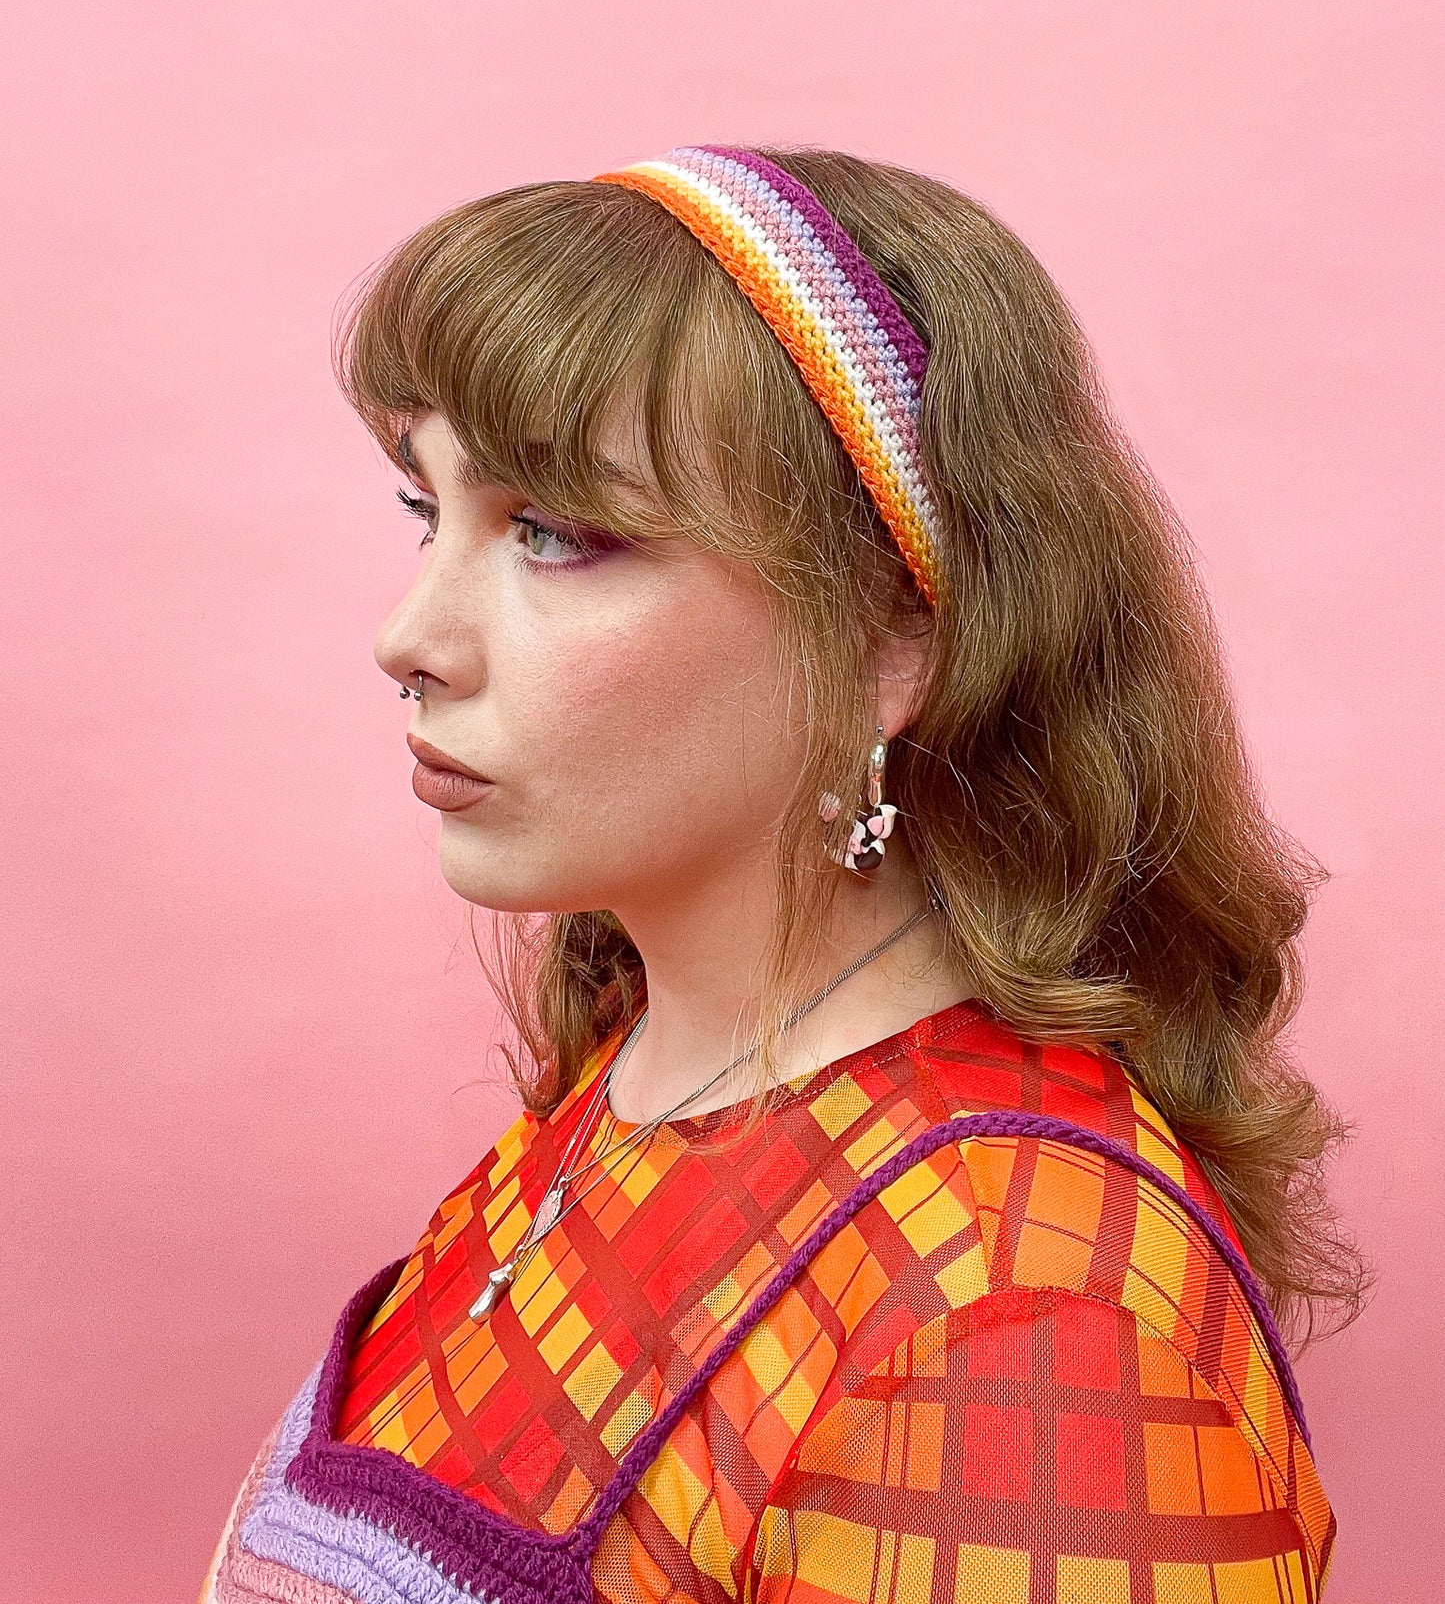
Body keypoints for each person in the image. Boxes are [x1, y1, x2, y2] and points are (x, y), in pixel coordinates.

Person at [200, 145, 1361, 1603]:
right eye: (428, 515)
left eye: (557, 534)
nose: (410, 638)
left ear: (894, 643)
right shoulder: (634, 1098)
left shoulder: (1024, 1326)